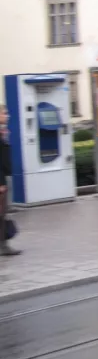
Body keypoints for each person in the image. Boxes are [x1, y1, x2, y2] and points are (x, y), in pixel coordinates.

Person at [0, 104, 22, 255]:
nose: (7, 116)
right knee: (1, 213)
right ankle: (3, 245)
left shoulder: (3, 132)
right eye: (4, 113)